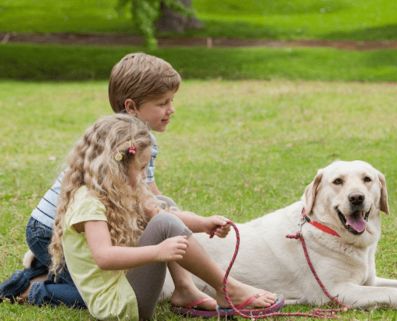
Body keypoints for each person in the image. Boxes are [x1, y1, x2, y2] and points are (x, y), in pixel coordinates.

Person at [0, 53, 236, 312]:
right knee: (96, 294)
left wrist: (199, 223)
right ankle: (34, 285)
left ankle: (184, 286)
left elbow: (154, 203)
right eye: (162, 102)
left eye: (172, 100)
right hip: (48, 230)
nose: (171, 109)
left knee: (163, 206)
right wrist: (177, 234)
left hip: (89, 228)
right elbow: (149, 211)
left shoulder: (138, 141)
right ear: (132, 107)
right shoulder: (120, 145)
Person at [50, 114, 283, 320]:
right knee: (163, 222)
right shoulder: (88, 201)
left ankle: (185, 291)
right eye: (141, 169)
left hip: (128, 286)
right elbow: (104, 257)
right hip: (118, 306)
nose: (143, 176)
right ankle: (227, 287)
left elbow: (163, 213)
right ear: (116, 167)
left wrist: (203, 223)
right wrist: (158, 252)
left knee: (163, 208)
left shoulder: (115, 190)